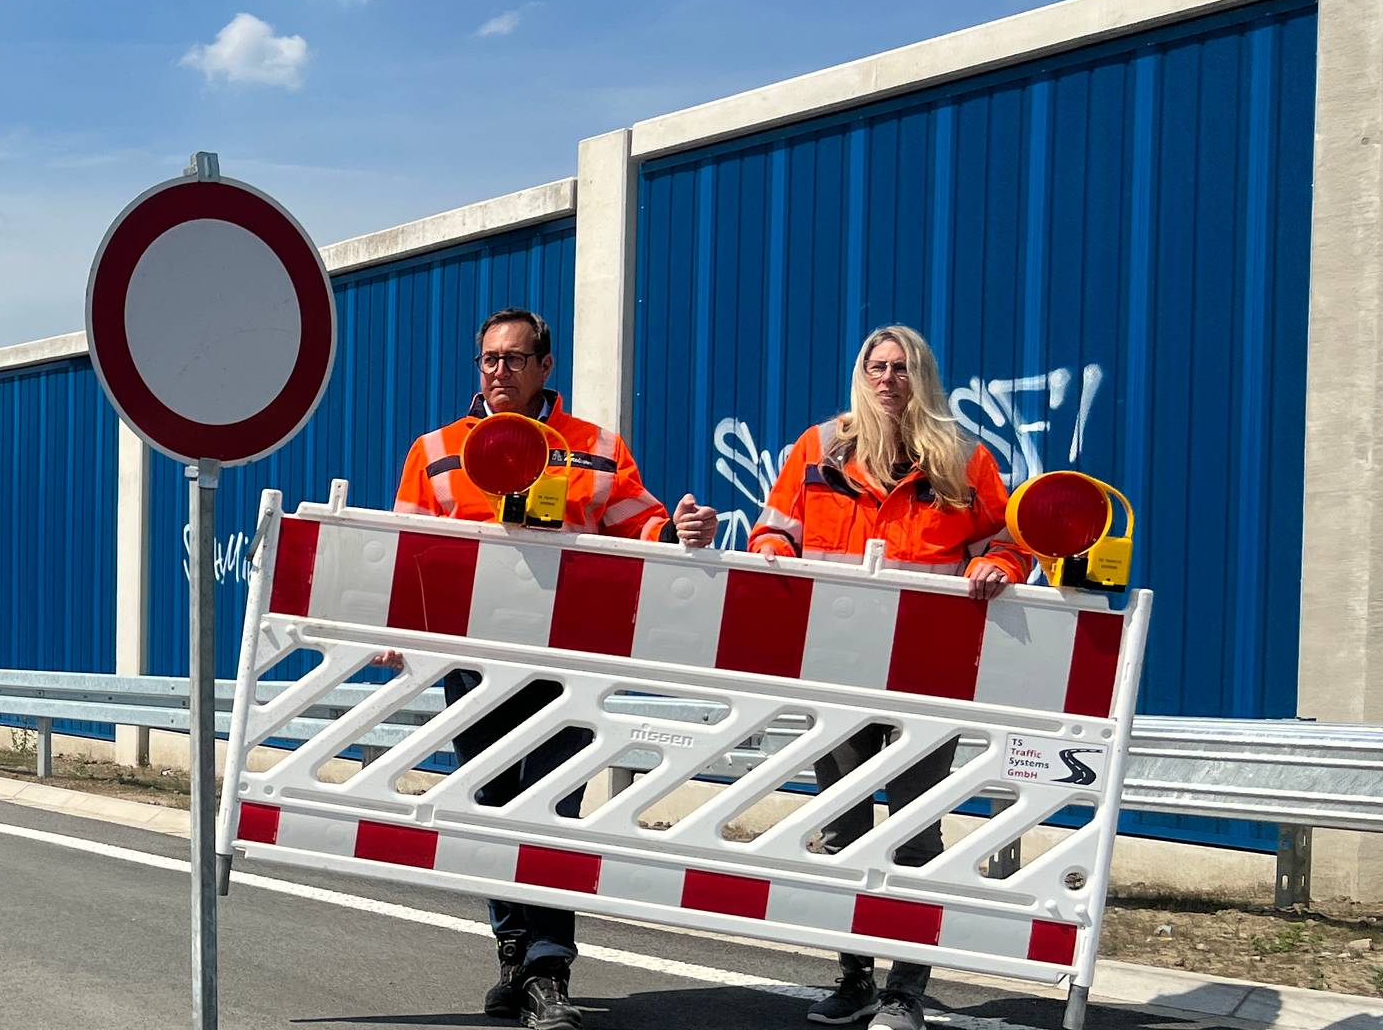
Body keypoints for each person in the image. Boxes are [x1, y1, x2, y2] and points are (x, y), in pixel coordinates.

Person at [388, 308, 717, 1030]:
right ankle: (512, 951)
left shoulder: (593, 448)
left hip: (566, 664)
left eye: (514, 358)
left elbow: (642, 523)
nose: (499, 371)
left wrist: (679, 530)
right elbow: (408, 548)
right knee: (491, 808)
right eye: (489, 359)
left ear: (545, 366)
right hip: (474, 663)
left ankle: (546, 969)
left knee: (550, 811)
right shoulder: (436, 451)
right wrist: (397, 630)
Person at [747, 325, 1035, 1030]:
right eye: (876, 367)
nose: (887, 378)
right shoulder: (818, 449)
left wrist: (996, 564)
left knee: (914, 833)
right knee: (843, 829)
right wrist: (773, 549)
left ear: (922, 377)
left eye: (902, 367)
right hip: (839, 668)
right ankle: (854, 978)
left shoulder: (962, 458)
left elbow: (1007, 539)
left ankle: (905, 989)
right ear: (861, 375)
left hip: (924, 674)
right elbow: (774, 527)